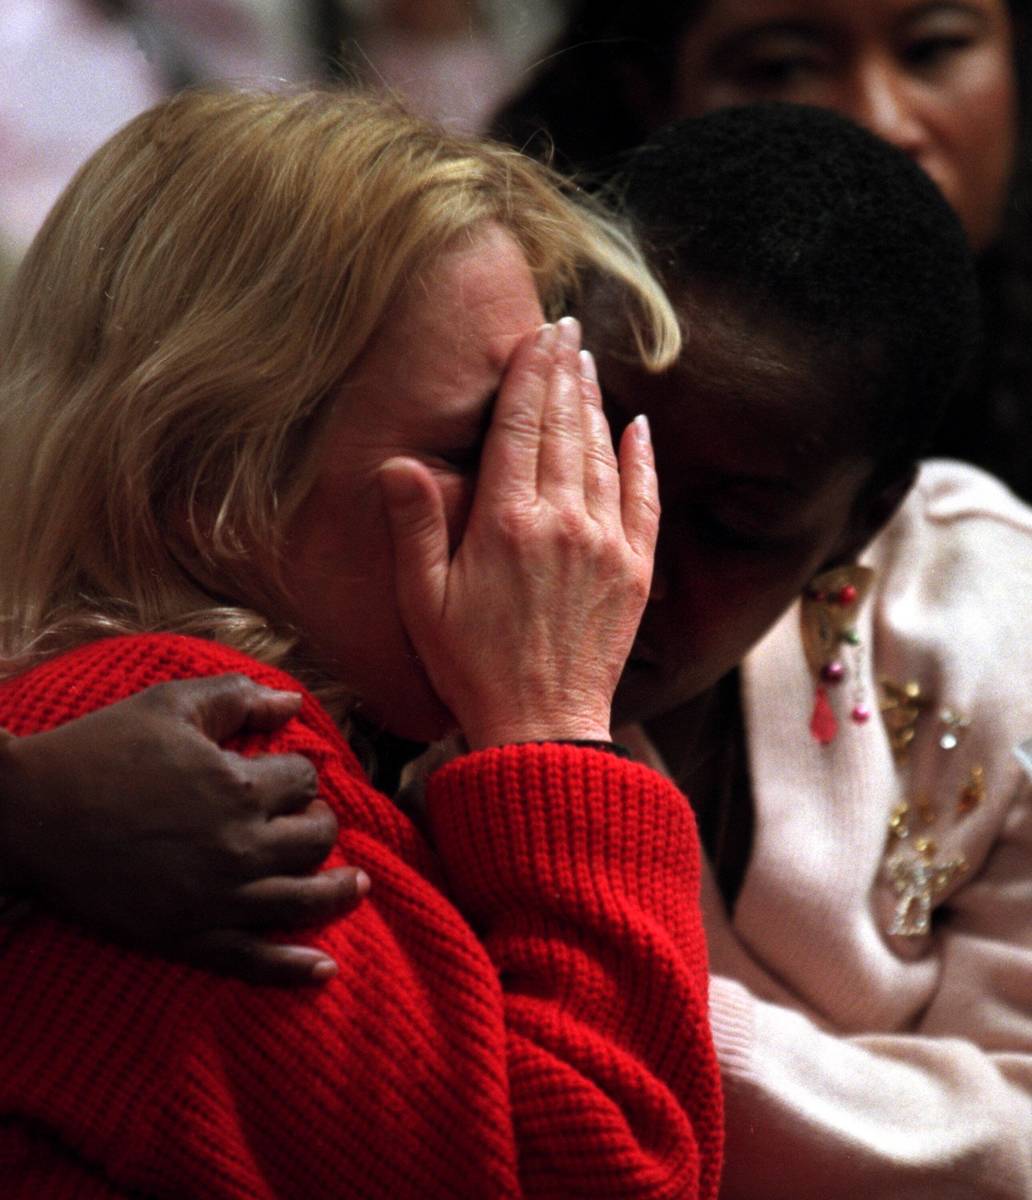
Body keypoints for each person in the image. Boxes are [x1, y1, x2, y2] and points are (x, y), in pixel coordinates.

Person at [0, 88, 724, 1198]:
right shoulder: (169, 738)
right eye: (485, 444)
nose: (551, 519)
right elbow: (605, 1175)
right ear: (212, 485)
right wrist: (554, 732)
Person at [585, 103, 1032, 1198]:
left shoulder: (990, 617)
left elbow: (1016, 1139)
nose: (624, 559)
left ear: (863, 521)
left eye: (732, 527)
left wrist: (654, 1026)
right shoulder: (403, 573)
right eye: (592, 453)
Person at [491, 0, 1032, 501]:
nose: (883, 121)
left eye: (932, 49)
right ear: (651, 97)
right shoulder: (528, 373)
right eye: (785, 67)